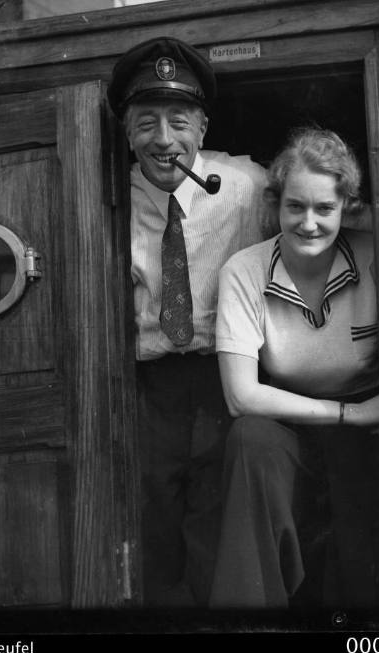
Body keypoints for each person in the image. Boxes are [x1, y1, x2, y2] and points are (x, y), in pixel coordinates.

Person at [107, 37, 268, 606]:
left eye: (179, 121)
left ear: (202, 130)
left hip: (226, 377)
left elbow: (320, 215)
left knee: (217, 518)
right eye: (146, 122)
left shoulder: (248, 188)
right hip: (148, 387)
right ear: (127, 134)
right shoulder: (106, 197)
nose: (164, 140)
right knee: (150, 516)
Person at [210, 127, 379, 609]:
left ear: (346, 209)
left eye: (325, 209)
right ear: (276, 206)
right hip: (293, 419)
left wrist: (361, 419)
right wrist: (346, 413)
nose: (309, 223)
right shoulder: (244, 271)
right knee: (250, 439)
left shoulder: (376, 256)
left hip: (366, 426)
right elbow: (241, 396)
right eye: (295, 207)